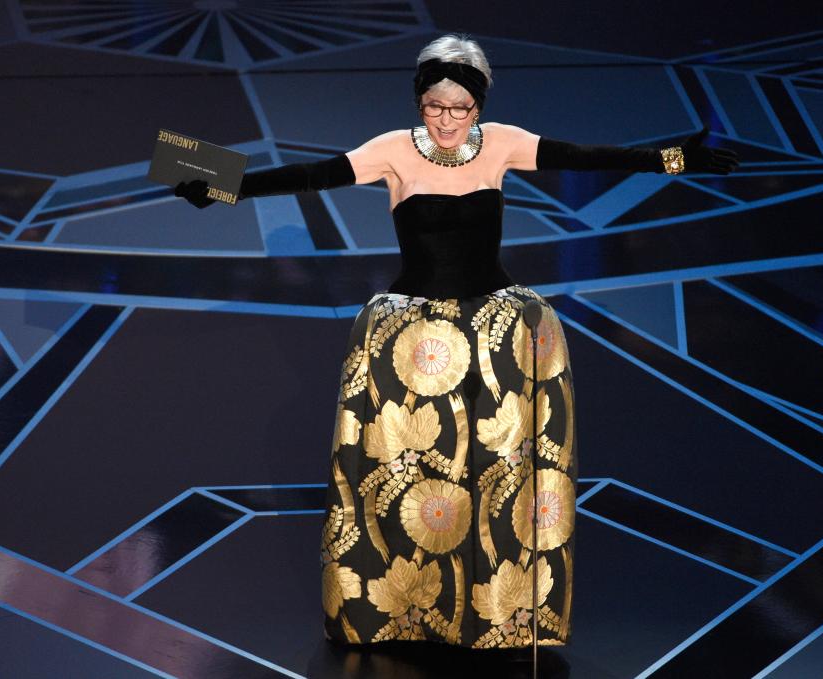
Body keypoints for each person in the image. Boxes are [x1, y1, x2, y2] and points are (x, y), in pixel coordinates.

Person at [175, 33, 738, 658]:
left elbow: (584, 157)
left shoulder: (500, 143)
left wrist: (668, 159)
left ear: (478, 107)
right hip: (414, 335)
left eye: (460, 109)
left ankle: (498, 609)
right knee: (410, 472)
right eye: (435, 108)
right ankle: (401, 605)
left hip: (495, 332)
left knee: (497, 472)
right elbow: (311, 174)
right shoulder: (393, 151)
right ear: (420, 104)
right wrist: (220, 183)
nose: (446, 121)